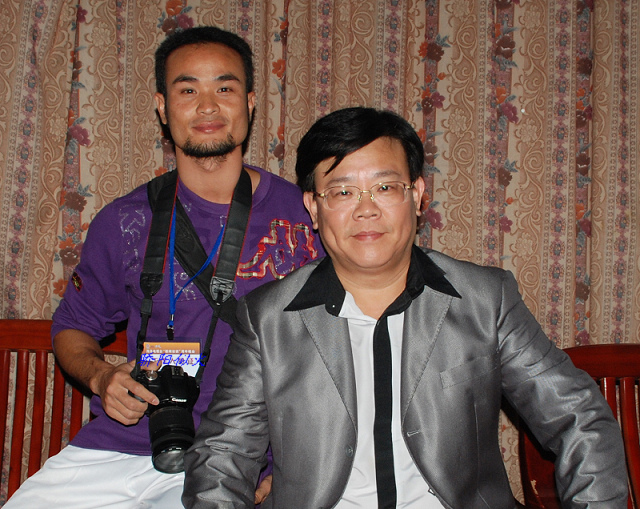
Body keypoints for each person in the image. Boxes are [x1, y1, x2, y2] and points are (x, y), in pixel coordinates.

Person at [182, 107, 628, 508]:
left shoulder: (484, 299)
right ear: (313, 208)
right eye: (342, 192)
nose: (366, 210)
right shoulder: (267, 318)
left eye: (384, 187)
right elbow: (223, 455)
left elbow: (580, 418)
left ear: (416, 196)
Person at [4, 26, 321, 508]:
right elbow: (73, 328)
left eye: (225, 88)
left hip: (242, 454)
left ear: (250, 102)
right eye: (188, 90)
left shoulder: (307, 216)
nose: (208, 106)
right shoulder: (124, 220)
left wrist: (300, 461)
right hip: (127, 444)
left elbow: (345, 350)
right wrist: (101, 377)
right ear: (162, 106)